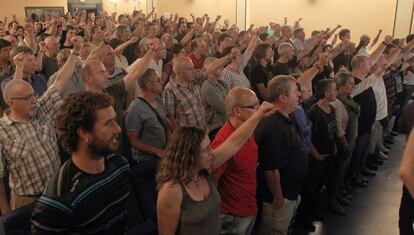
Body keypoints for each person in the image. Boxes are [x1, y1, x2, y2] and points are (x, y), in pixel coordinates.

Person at [156, 101, 274, 235]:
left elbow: (235, 141)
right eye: (206, 149)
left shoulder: (203, 171)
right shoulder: (171, 190)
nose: (211, 152)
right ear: (190, 154)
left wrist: (259, 114)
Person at [31, 91, 130, 234]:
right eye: (108, 124)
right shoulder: (58, 201)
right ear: (84, 133)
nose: (118, 128)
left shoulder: (119, 165)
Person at [0, 49, 77, 212]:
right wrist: (6, 215)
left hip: (58, 192)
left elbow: (61, 80)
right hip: (27, 202)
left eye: (33, 94)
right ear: (11, 103)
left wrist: (74, 52)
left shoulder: (41, 108)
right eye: (28, 98)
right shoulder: (2, 132)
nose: (34, 100)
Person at [255, 75, 308, 235]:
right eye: (295, 91)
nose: (299, 94)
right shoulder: (273, 125)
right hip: (279, 198)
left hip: (290, 192)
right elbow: (271, 168)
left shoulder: (286, 117)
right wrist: (279, 197)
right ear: (283, 97)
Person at [211, 87, 260, 235]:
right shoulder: (223, 141)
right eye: (253, 107)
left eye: (258, 104)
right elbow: (213, 181)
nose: (258, 110)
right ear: (237, 111)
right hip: (233, 215)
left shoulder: (248, 129)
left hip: (249, 205)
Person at [201, 57, 229, 139]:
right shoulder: (208, 87)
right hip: (216, 128)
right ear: (211, 70)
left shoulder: (221, 83)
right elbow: (223, 107)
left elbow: (231, 98)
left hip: (224, 123)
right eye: (219, 67)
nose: (222, 68)